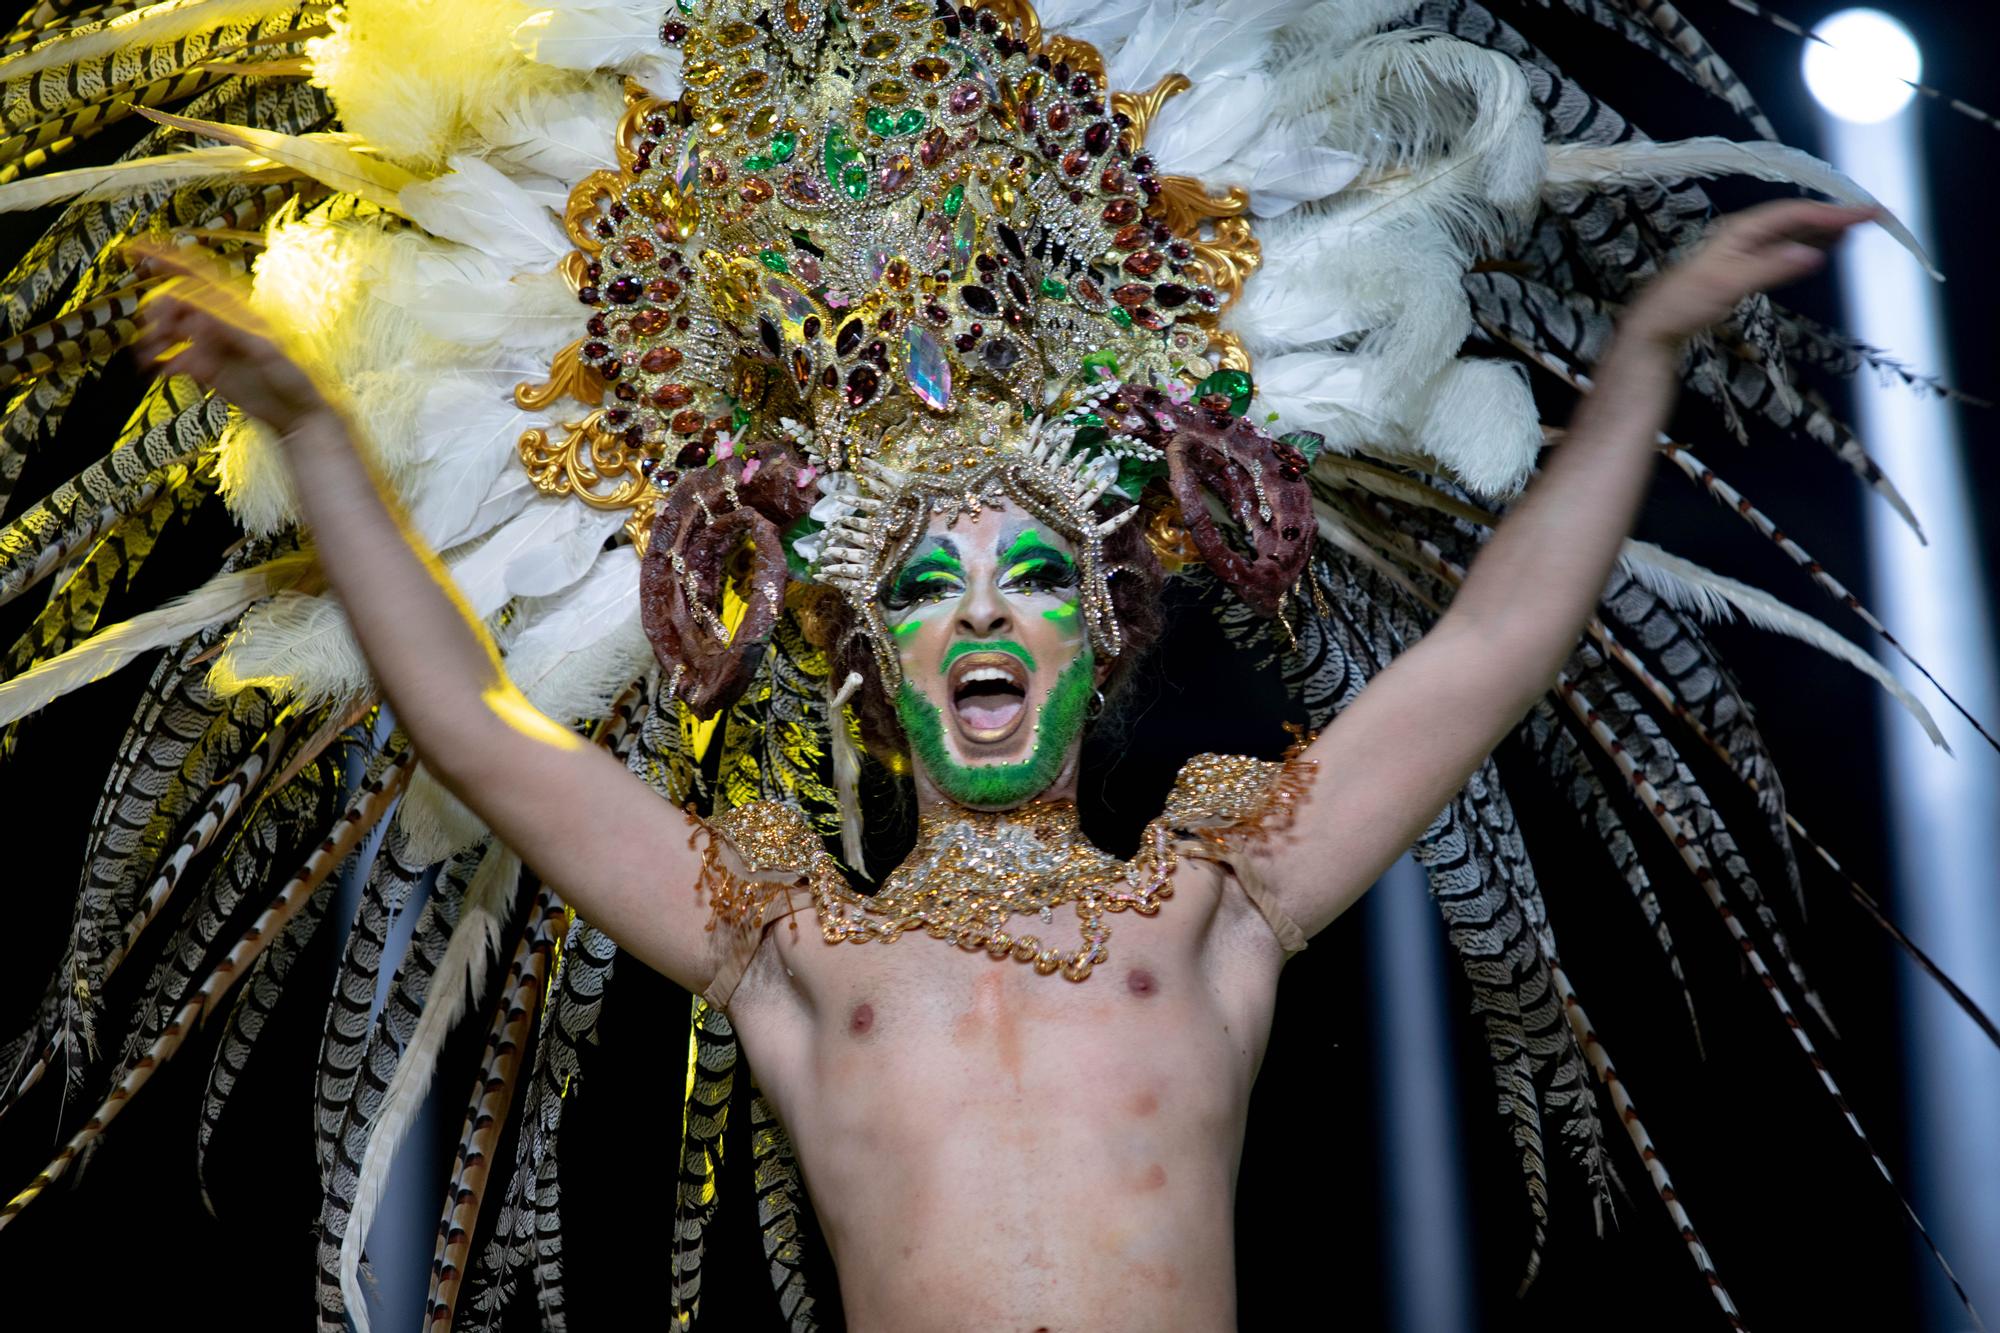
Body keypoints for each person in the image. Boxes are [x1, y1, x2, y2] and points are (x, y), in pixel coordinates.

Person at [127, 195, 1872, 1331]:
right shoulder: (795, 946)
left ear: (1097, 636)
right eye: (928, 585)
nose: (984, 614)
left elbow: (1491, 647)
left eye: (1032, 576)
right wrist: (310, 428)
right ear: (876, 662)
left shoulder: (1215, 898)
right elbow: (476, 729)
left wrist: (1639, 362)